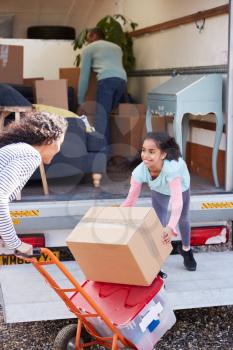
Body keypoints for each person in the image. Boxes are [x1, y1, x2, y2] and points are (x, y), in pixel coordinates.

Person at [122, 132, 197, 271]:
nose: (145, 155)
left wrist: (171, 227)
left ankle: (186, 249)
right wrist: (119, 214)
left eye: (151, 151)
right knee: (158, 222)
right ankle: (157, 262)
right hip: (159, 188)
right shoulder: (139, 172)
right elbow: (130, 200)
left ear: (163, 154)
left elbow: (177, 202)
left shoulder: (173, 169)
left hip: (181, 186)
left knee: (183, 219)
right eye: (143, 150)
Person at [0, 112, 68, 255]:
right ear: (50, 139)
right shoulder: (29, 154)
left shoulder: (18, 149)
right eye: (60, 142)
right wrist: (15, 243)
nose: (59, 149)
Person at [78, 27, 127, 147]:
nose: (87, 40)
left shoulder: (89, 49)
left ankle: (102, 153)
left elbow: (84, 76)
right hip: (122, 82)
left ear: (94, 36)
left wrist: (80, 101)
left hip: (107, 82)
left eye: (88, 37)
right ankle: (111, 149)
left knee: (101, 118)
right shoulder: (117, 48)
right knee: (109, 115)